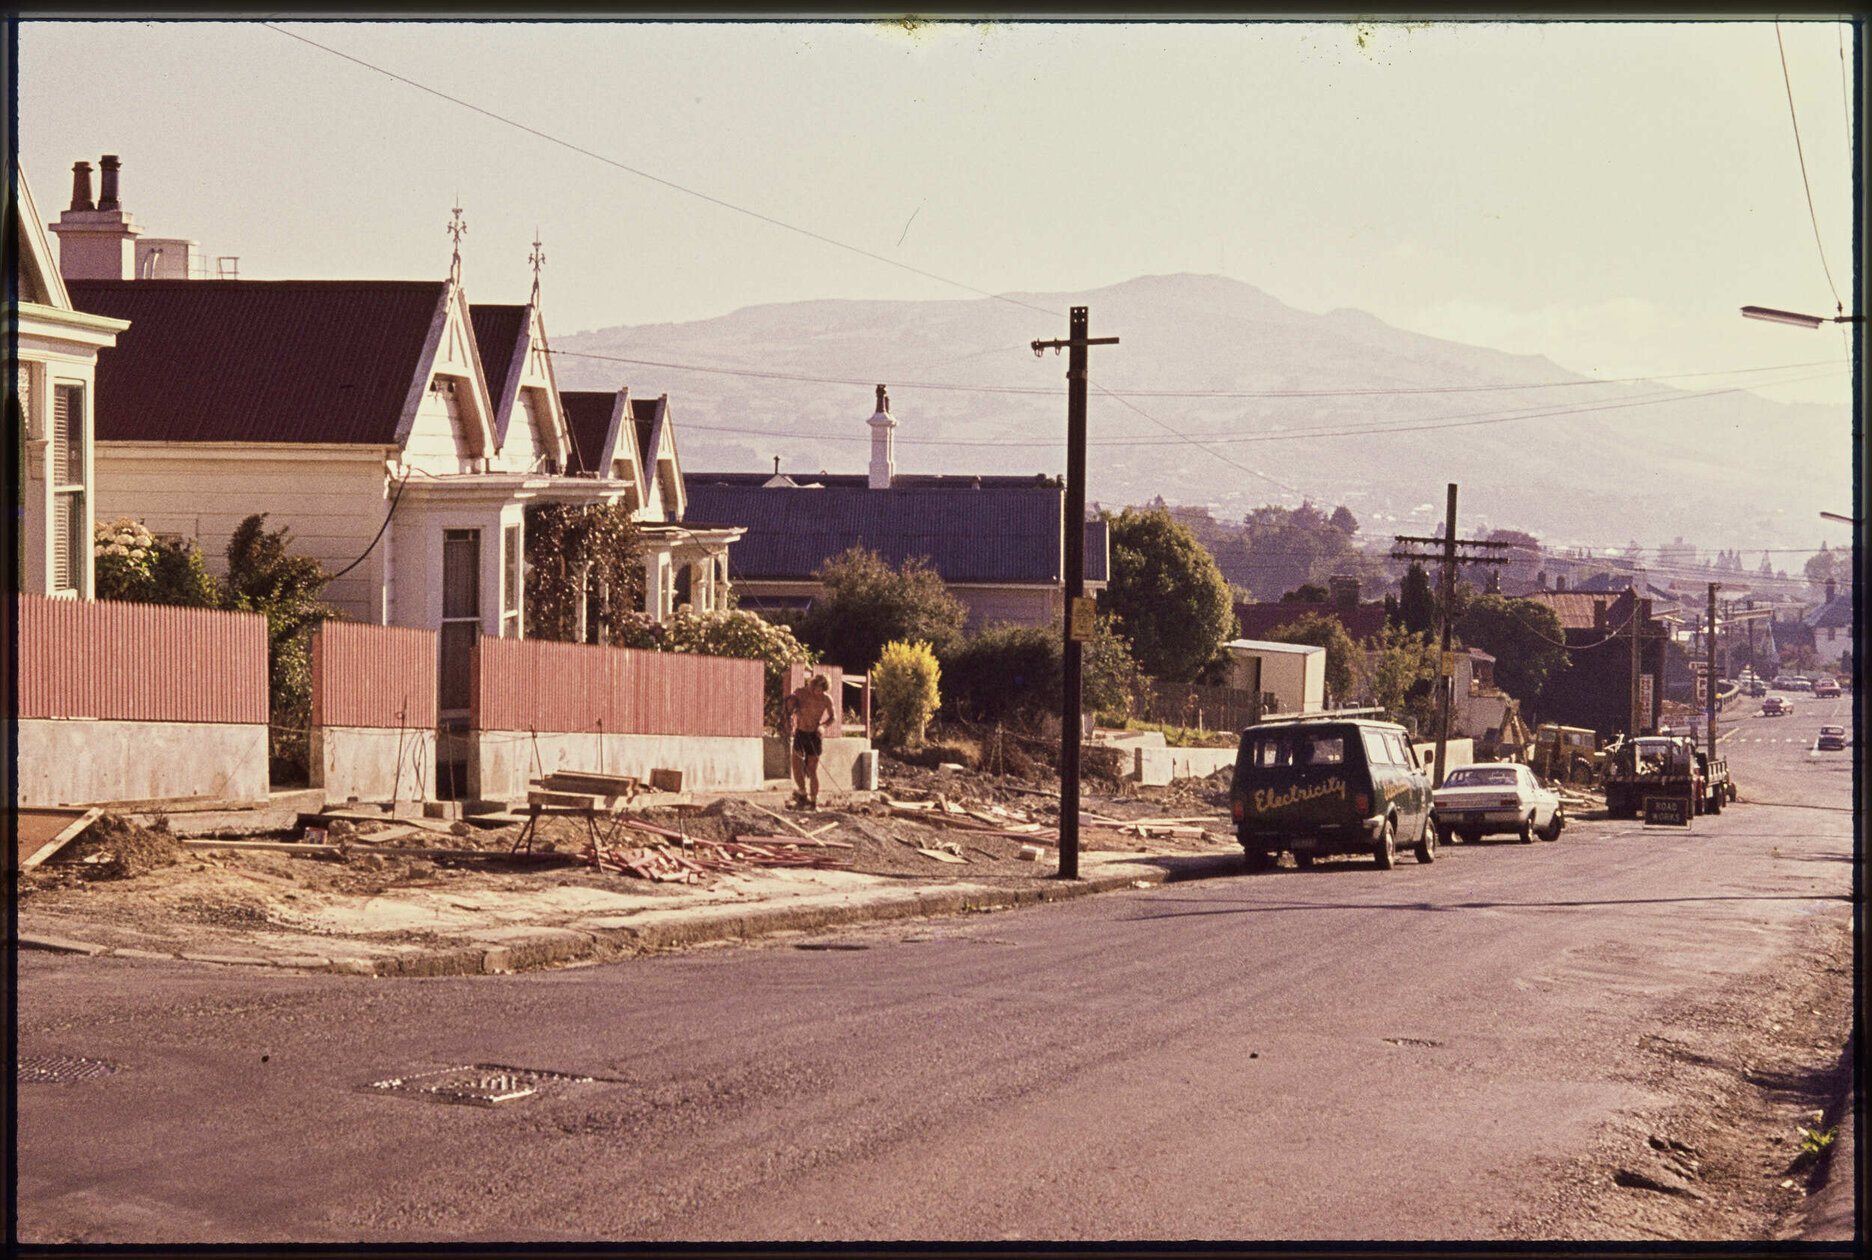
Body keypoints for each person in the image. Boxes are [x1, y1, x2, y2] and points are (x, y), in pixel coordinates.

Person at [785, 674, 835, 810]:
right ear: (811, 685)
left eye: (819, 690)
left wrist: (822, 727)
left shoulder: (826, 699)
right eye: (815, 688)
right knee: (796, 765)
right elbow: (789, 706)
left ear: (824, 689)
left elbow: (832, 717)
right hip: (801, 733)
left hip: (814, 736)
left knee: (812, 770)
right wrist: (793, 706)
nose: (816, 692)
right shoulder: (801, 693)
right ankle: (802, 794)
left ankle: (813, 802)